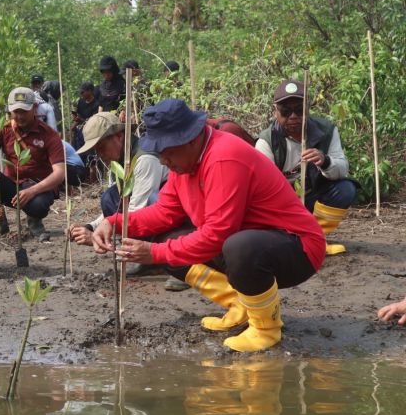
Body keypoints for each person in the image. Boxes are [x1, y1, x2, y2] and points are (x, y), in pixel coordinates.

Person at [91, 99, 326, 352]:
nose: (162, 161)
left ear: (190, 140)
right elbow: (164, 213)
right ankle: (241, 306)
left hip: (297, 247)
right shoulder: (185, 164)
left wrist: (153, 254)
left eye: (166, 152)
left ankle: (266, 327)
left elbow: (217, 234)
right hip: (251, 239)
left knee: (237, 247)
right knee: (163, 239)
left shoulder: (223, 157)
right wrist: (113, 223)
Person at [256, 79, 357, 255]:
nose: (293, 116)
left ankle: (315, 238)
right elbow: (263, 190)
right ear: (275, 112)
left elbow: (343, 168)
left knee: (346, 189)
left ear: (307, 109)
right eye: (286, 111)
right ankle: (293, 239)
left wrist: (325, 161)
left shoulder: (326, 130)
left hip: (313, 197)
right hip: (283, 205)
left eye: (299, 110)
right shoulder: (266, 142)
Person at [0, 87, 65, 241]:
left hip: (37, 188)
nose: (19, 116)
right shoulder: (3, 128)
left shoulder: (49, 135)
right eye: (16, 111)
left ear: (34, 108)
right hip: (12, 186)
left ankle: (34, 223)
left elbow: (60, 173)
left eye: (24, 111)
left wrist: (33, 191)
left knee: (38, 205)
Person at [69, 112, 167, 244]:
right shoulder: (118, 163)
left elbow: (137, 212)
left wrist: (96, 237)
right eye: (96, 151)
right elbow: (119, 206)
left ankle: (148, 250)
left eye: (102, 148)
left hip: (167, 219)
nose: (100, 155)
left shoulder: (144, 160)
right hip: (145, 216)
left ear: (119, 136)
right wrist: (91, 227)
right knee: (110, 197)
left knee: (109, 197)